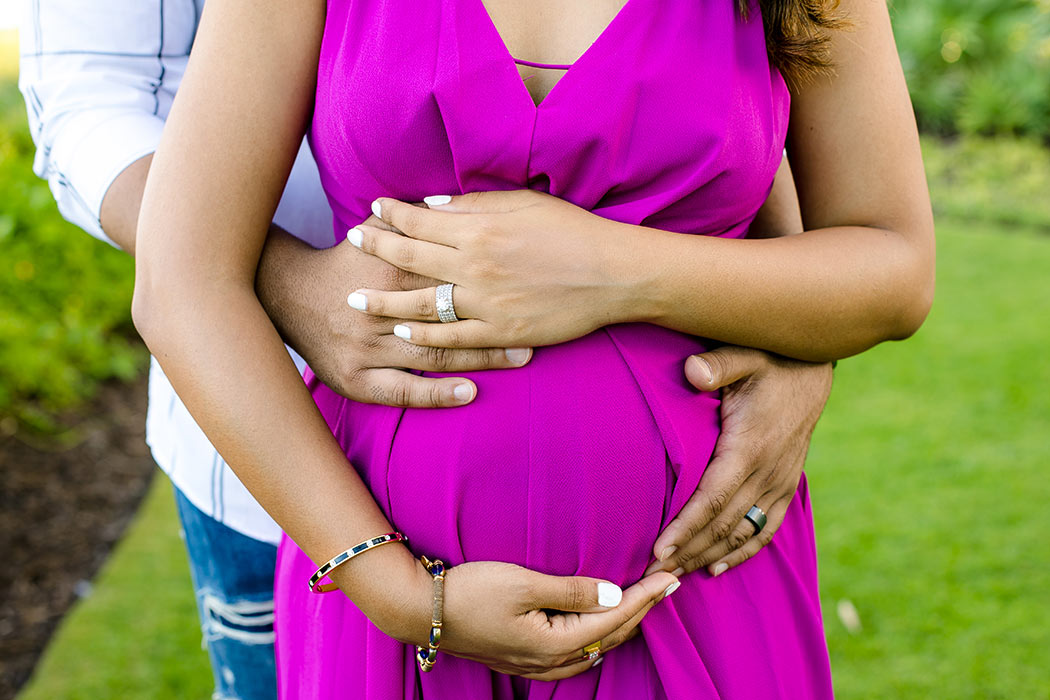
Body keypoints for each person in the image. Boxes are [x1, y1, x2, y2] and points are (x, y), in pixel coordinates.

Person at [18, 0, 838, 697]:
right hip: (313, 497)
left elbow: (751, 151)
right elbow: (96, 106)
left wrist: (806, 343)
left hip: (694, 565)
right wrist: (285, 281)